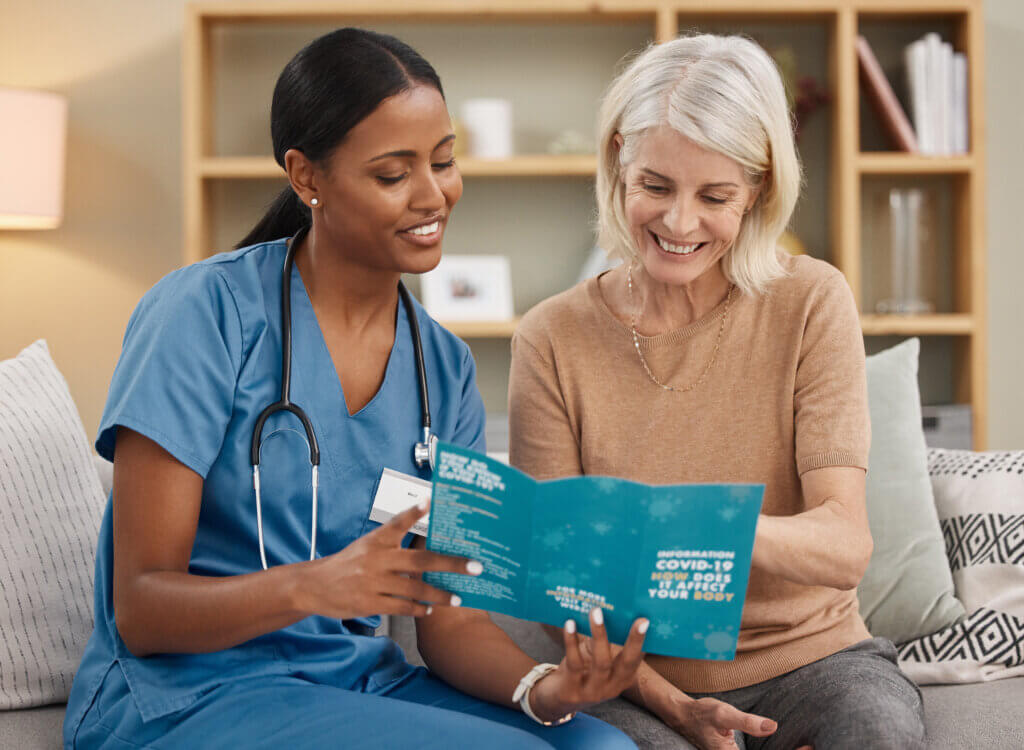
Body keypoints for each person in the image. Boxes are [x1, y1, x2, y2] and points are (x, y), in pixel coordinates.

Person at [63, 28, 646, 750]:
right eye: (394, 174)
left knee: (602, 746)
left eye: (443, 160)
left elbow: (450, 619)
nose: (434, 195)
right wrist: (315, 587)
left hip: (351, 682)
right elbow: (142, 609)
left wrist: (547, 688)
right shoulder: (202, 315)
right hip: (187, 693)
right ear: (308, 178)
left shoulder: (443, 367)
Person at [509, 34, 926, 750]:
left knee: (877, 734)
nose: (678, 224)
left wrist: (693, 532)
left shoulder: (811, 301)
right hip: (639, 684)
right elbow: (561, 592)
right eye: (656, 186)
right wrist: (671, 703)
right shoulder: (550, 337)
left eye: (715, 196)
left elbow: (842, 546)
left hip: (817, 663)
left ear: (759, 188)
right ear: (618, 162)